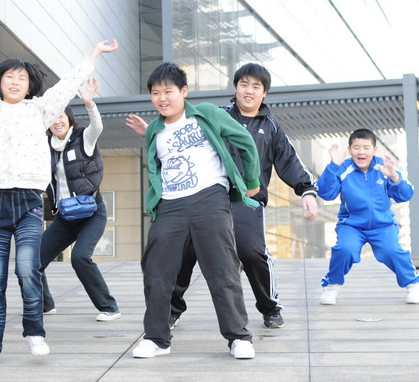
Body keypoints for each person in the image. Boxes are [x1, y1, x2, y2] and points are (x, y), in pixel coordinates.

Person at [0, 15, 118, 366]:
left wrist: (94, 55)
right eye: (9, 76)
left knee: (28, 270)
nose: (15, 82)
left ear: (30, 86)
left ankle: (34, 333)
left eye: (21, 78)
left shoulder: (39, 110)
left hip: (28, 203)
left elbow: (68, 85)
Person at [125, 62, 260, 360]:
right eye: (155, 93)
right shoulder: (155, 130)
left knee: (222, 269)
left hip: (209, 198)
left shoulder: (207, 113)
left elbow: (246, 142)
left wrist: (250, 182)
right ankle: (157, 338)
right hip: (170, 204)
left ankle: (238, 337)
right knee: (156, 271)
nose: (162, 98)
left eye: (168, 91)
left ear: (184, 91)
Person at [169, 63, 319, 330]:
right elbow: (183, 135)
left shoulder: (271, 127)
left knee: (251, 251)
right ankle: (171, 310)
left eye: (256, 87)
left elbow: (289, 160)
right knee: (185, 250)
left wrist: (306, 190)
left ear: (265, 93)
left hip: (247, 200)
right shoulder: (216, 116)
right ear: (236, 88)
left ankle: (270, 307)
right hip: (209, 196)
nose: (249, 91)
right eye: (244, 85)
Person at [40, 78, 120, 322]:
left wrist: (89, 103)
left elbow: (97, 127)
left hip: (91, 212)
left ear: (69, 117)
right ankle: (45, 304)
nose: (57, 121)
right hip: (66, 217)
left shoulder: (83, 138)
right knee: (32, 260)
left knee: (80, 257)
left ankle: (109, 307)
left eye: (61, 115)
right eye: (52, 117)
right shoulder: (45, 147)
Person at [318, 129, 419, 305]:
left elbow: (406, 194)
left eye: (366, 147)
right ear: (349, 150)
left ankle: (413, 285)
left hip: (383, 225)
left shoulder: (383, 167)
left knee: (392, 251)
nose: (361, 152)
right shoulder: (343, 168)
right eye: (356, 147)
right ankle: (331, 286)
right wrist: (333, 165)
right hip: (352, 225)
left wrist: (394, 177)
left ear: (375, 149)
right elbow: (326, 193)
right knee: (344, 249)